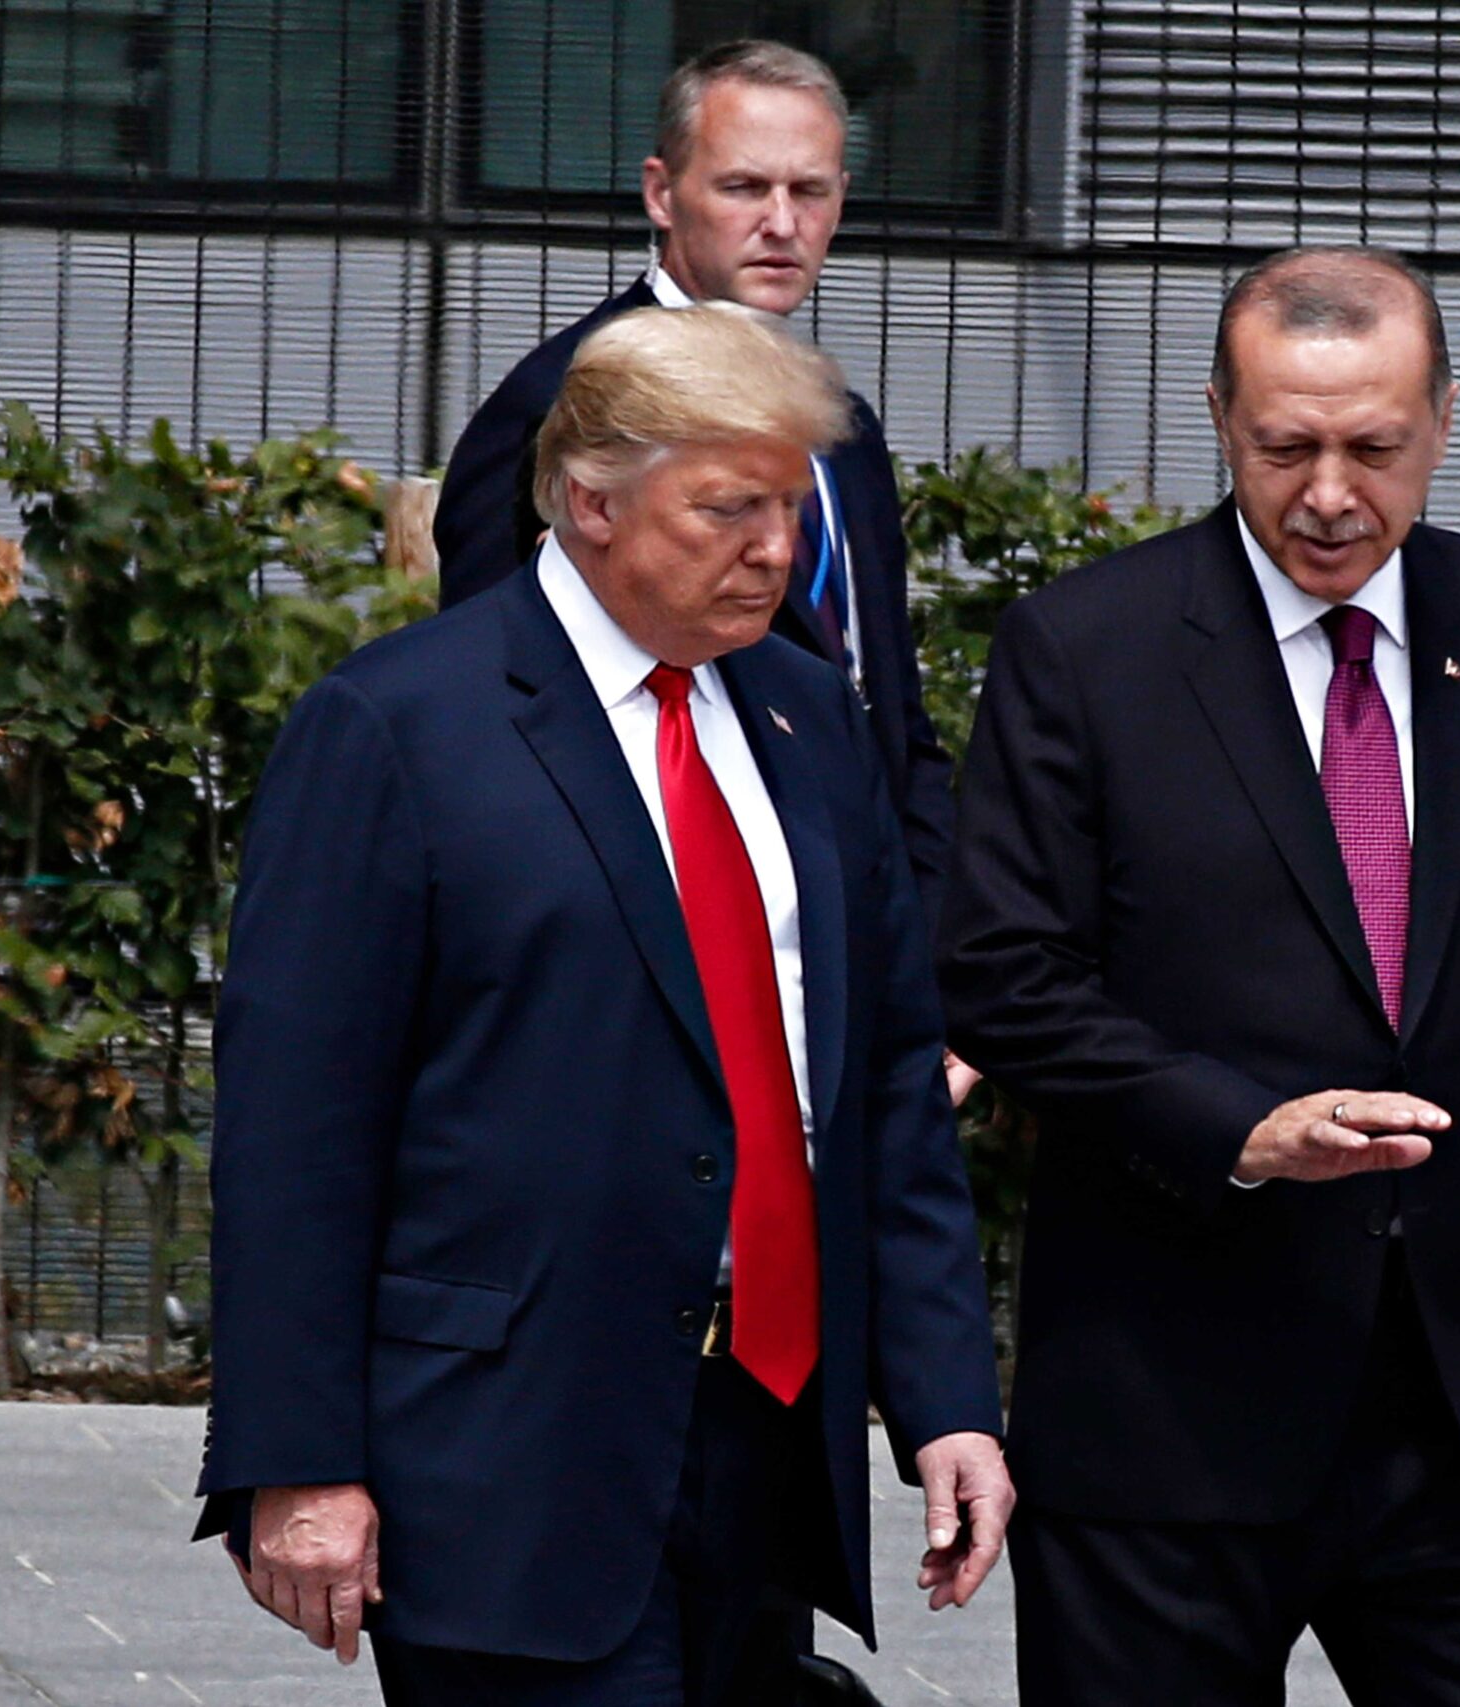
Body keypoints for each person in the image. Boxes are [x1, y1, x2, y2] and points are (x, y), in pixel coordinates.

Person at [937, 246, 1460, 1707]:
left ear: (1441, 422)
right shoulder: (1087, 646)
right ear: (1220, 418)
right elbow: (1007, 976)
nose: (1330, 493)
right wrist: (1238, 1129)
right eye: (1287, 446)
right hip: (1167, 1418)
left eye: (1374, 448)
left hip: (1453, 1423)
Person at [197, 303, 1011, 1707]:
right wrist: (296, 1459)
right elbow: (295, 1128)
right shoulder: (401, 725)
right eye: (727, 509)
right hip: (509, 1444)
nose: (774, 549)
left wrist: (943, 1396)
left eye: (790, 509)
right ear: (589, 502)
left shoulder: (809, 719)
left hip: (763, 1440)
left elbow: (880, 1082)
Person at [431, 40, 958, 944]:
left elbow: (889, 712)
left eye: (813, 191)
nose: (783, 224)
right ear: (661, 193)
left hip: (850, 938)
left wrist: (931, 959)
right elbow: (491, 716)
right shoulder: (562, 403)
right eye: (746, 188)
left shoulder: (844, 424)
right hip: (665, 933)